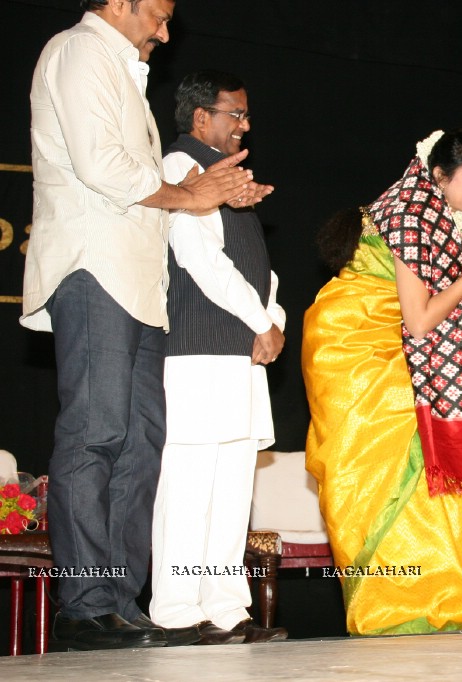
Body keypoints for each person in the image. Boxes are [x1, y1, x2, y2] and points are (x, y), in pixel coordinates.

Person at [21, 0, 268, 651]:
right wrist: (192, 196)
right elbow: (104, 168)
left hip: (139, 286)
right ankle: (82, 602)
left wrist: (213, 198)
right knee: (95, 434)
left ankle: (119, 600)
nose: (165, 31)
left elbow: (145, 199)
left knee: (137, 448)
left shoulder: (123, 68)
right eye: (157, 15)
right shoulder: (78, 52)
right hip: (94, 270)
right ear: (119, 2)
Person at [303, 129, 462, 635]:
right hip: (363, 350)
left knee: (418, 468)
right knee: (393, 469)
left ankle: (437, 592)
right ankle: (404, 602)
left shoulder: (422, 208)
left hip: (369, 338)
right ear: (439, 175)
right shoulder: (414, 216)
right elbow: (418, 322)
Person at [148, 70, 287, 645]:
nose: (244, 125)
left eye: (246, 115)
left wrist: (274, 320)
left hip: (238, 356)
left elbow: (262, 269)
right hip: (195, 356)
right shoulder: (182, 169)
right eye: (235, 114)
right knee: (188, 490)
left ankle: (227, 610)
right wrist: (261, 320)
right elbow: (198, 260)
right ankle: (178, 611)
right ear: (200, 118)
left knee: (232, 488)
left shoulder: (230, 177)